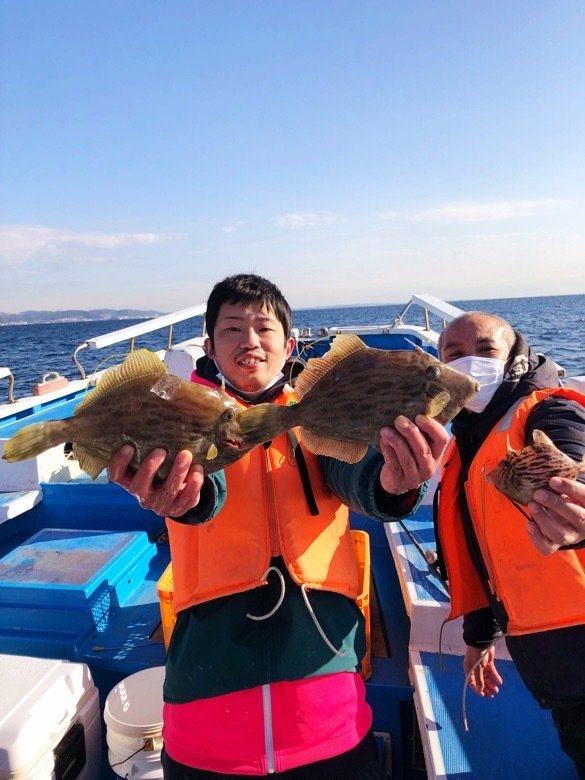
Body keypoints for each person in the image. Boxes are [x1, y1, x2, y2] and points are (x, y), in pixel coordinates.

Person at [108, 273, 449, 779]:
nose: (249, 341)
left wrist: (397, 483)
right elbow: (206, 489)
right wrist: (179, 494)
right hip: (208, 714)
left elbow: (358, 474)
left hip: (325, 708)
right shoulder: (184, 416)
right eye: (232, 329)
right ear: (209, 345)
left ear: (288, 344)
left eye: (263, 328)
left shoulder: (321, 414)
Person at [434, 310, 585, 777]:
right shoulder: (466, 442)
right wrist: (480, 638)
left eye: (485, 350)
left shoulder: (546, 407)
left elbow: (572, 450)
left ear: (515, 357)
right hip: (554, 663)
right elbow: (483, 551)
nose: (470, 363)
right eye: (454, 355)